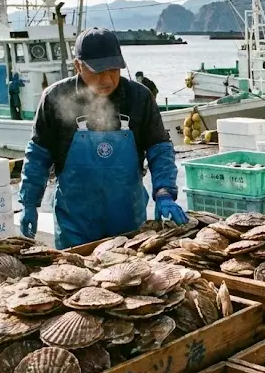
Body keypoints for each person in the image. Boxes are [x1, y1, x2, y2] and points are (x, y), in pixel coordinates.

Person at [18, 28, 187, 249]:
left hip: (128, 220)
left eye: (114, 70)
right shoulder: (55, 98)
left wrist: (164, 192)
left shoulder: (139, 97)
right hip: (75, 225)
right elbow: (38, 156)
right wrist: (29, 202)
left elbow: (159, 149)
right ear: (78, 65)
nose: (107, 79)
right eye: (98, 71)